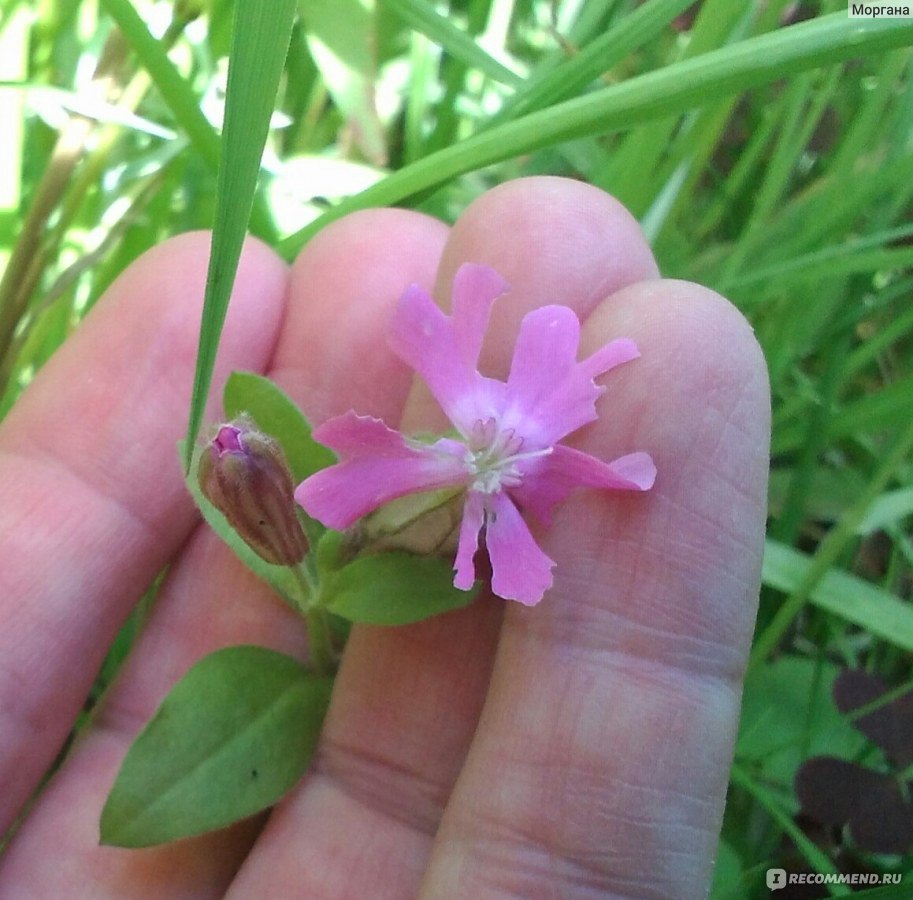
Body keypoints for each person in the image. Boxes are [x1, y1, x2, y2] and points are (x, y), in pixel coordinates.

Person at [0, 177, 769, 897]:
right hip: (344, 553)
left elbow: (545, 471)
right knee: (353, 509)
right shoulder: (420, 484)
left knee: (449, 491)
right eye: (483, 446)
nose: (488, 454)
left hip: (414, 545)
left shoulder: (487, 484)